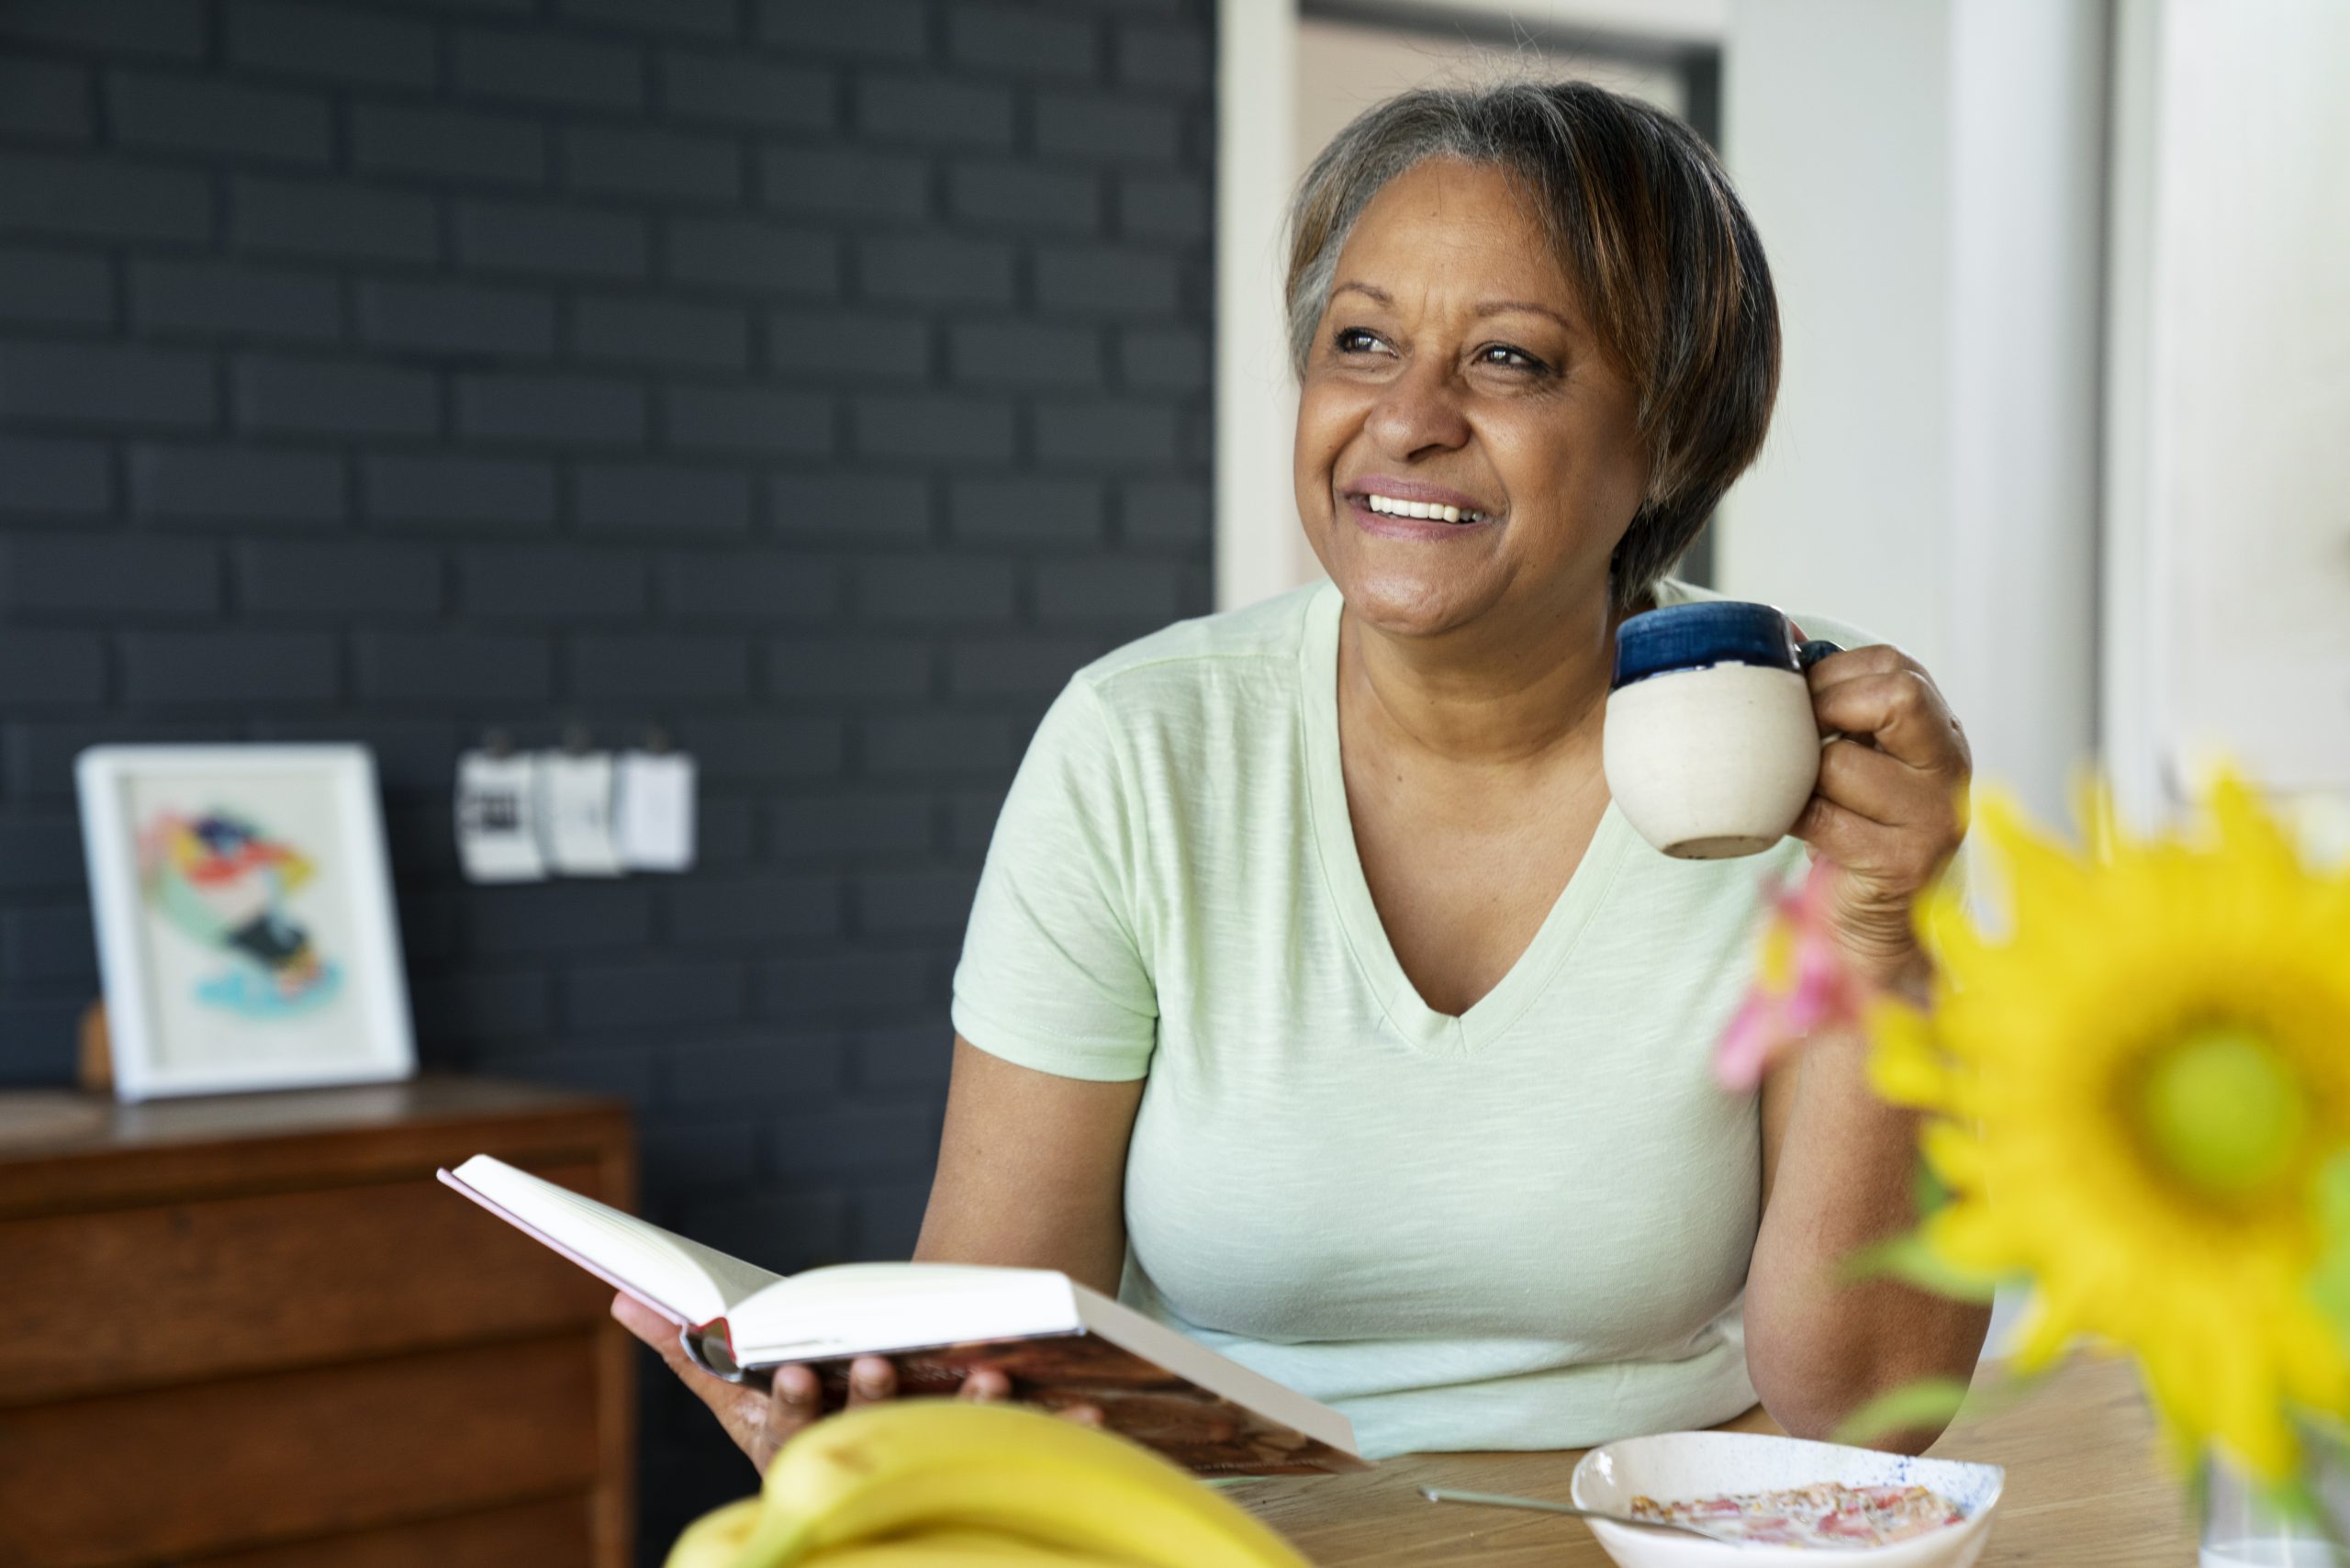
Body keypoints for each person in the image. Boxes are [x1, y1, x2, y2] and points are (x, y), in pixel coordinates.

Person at [621, 78, 1989, 1473]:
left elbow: (1867, 1404)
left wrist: (1885, 934)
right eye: (1362, 342)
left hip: (1640, 1529)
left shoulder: (1795, 759)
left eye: (1509, 359)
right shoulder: (1140, 747)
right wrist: (869, 1433)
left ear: (1671, 436)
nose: (1408, 418)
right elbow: (998, 1332)